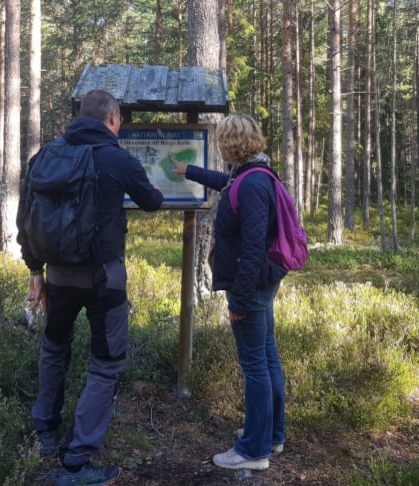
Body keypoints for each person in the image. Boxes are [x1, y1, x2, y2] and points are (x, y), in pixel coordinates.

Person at [17, 89, 164, 486]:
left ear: (80, 116)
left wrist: (35, 270)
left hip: (58, 277)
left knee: (54, 348)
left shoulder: (46, 156)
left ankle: (45, 433)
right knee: (106, 363)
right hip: (105, 280)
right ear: (113, 118)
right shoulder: (117, 158)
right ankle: (77, 462)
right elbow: (151, 201)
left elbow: (24, 217)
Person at [170, 114, 287, 471]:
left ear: (231, 143)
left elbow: (252, 247)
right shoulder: (252, 174)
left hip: (249, 285)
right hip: (261, 282)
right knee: (266, 358)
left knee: (255, 364)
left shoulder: (252, 184)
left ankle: (253, 450)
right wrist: (189, 170)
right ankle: (271, 434)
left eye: (222, 140)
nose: (219, 147)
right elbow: (226, 182)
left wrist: (238, 298)